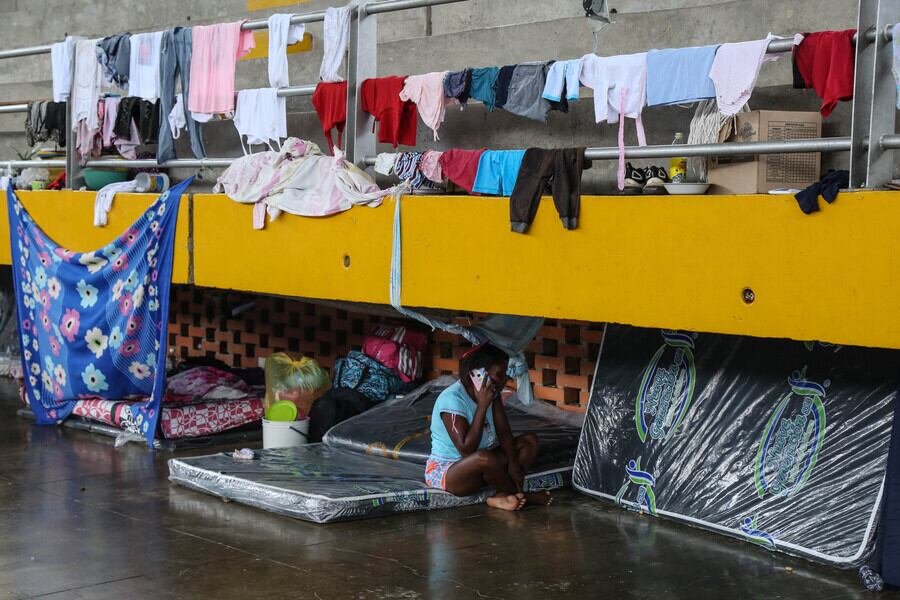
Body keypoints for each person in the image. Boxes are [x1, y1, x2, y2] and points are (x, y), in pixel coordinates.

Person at [424, 342, 552, 511]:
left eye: (505, 374)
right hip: (450, 473)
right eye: (500, 374)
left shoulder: (493, 392)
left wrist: (513, 465)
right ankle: (522, 495)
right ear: (477, 374)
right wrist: (483, 406)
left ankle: (499, 496)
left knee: (529, 441)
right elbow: (466, 450)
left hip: (485, 466)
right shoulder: (452, 399)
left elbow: (504, 432)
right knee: (484, 458)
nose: (505, 380)